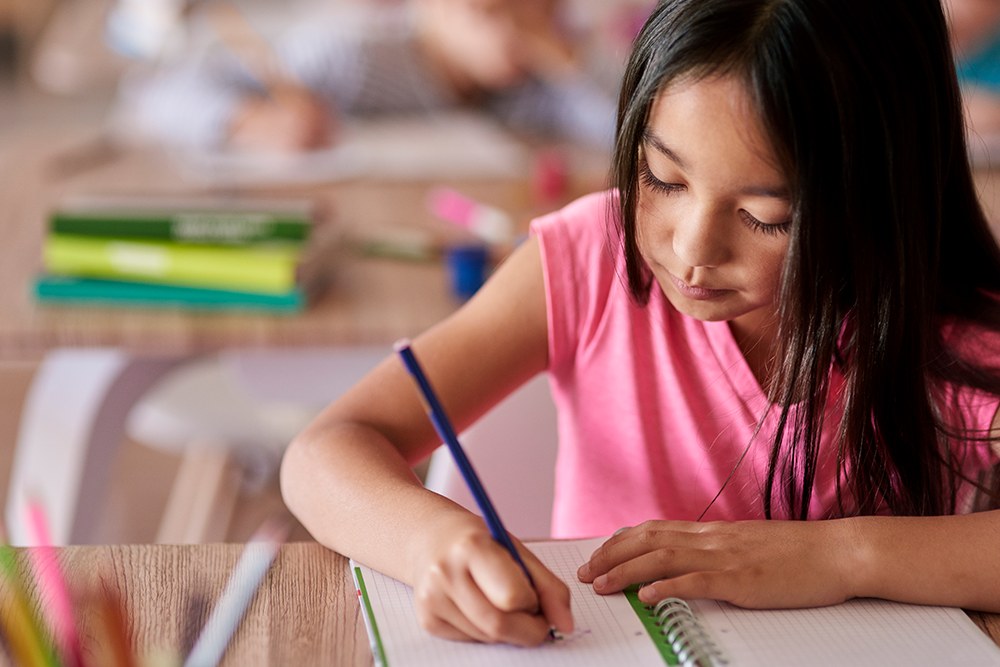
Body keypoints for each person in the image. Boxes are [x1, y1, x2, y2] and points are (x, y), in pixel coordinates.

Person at [280, 0, 1000, 648]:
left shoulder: (951, 322)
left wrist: (840, 556)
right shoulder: (595, 256)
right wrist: (434, 542)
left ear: (884, 195)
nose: (692, 250)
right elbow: (324, 452)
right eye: (663, 178)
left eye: (766, 216)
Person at [113, 0, 616, 153]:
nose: (514, 31)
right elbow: (155, 93)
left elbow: (628, 130)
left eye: (538, 13)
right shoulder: (349, 55)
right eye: (489, 12)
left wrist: (565, 62)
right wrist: (250, 119)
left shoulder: (535, 86)